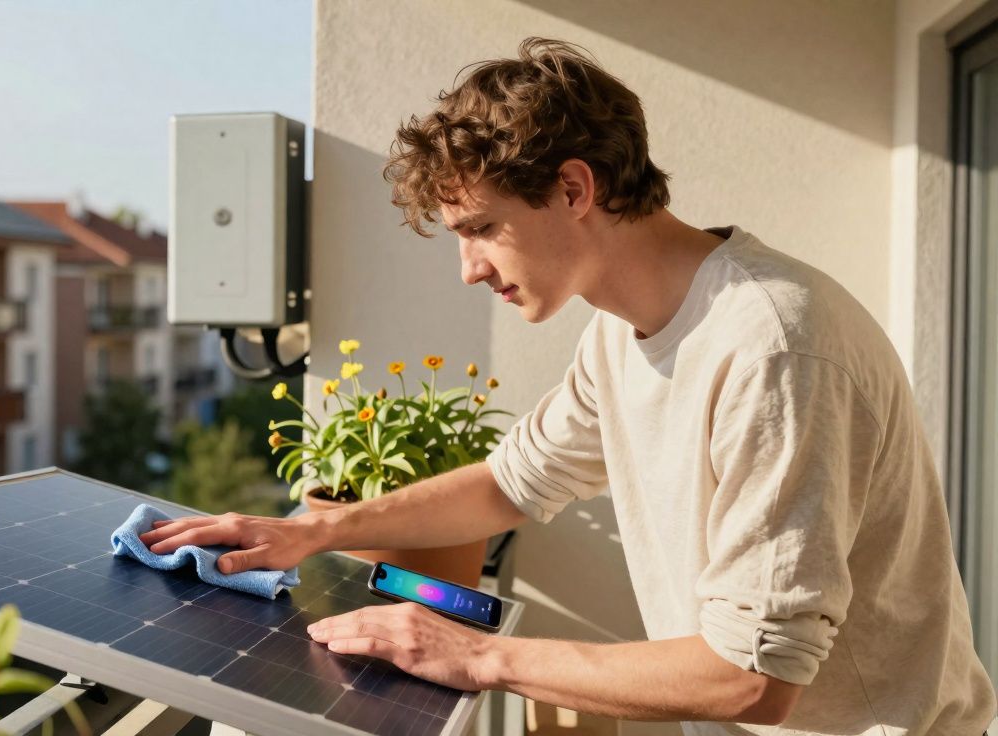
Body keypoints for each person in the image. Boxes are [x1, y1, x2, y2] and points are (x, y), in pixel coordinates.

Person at [141, 38, 997, 734]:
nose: (470, 269)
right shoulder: (621, 336)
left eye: (482, 230)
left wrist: (476, 655)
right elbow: (509, 484)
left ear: (575, 187)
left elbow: (752, 678)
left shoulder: (772, 346)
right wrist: (313, 533)